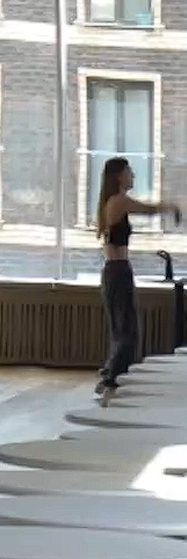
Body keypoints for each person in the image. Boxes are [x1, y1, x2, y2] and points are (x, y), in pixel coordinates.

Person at [94, 156, 181, 398]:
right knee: (128, 330)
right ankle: (112, 381)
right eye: (129, 171)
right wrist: (172, 206)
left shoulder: (112, 201)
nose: (132, 175)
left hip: (116, 270)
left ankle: (110, 376)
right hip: (118, 271)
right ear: (118, 175)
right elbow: (148, 209)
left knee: (122, 328)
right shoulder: (119, 201)